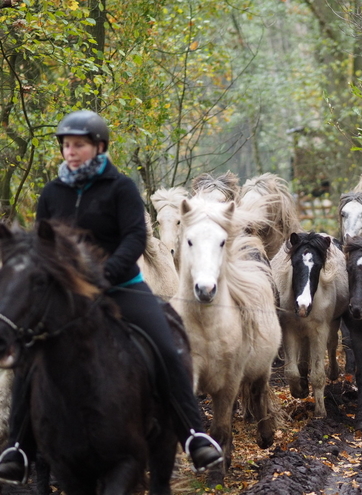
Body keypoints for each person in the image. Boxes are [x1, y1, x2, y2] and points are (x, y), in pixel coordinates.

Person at [0, 110, 223, 485]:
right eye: (67, 145)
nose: (70, 152)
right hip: (66, 296)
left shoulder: (120, 188)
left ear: (99, 147)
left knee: (167, 346)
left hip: (121, 284)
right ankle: (19, 449)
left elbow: (135, 237)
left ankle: (192, 433)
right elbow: (42, 243)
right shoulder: (54, 192)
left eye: (79, 145)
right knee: (30, 357)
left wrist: (104, 275)